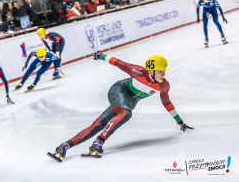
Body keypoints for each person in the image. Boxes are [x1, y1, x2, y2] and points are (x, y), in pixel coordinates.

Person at [49, 51, 194, 162]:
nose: (164, 74)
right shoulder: (137, 71)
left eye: (164, 71)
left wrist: (179, 121)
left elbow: (167, 103)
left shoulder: (164, 85)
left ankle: (65, 146)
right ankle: (99, 142)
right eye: (160, 71)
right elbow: (119, 63)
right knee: (126, 113)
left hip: (129, 103)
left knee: (99, 124)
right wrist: (101, 55)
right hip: (119, 90)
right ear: (151, 71)